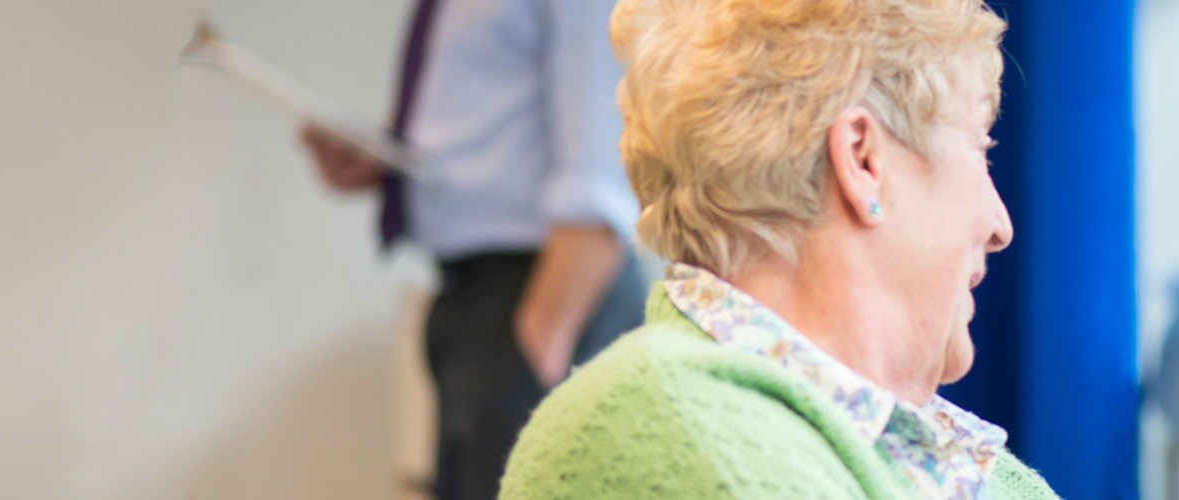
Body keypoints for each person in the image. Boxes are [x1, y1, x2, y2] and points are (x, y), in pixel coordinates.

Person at [498, 0, 1056, 498]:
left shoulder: (897, 440)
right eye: (980, 144)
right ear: (863, 162)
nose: (1000, 224)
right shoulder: (675, 431)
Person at [290, 0, 644, 497]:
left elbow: (600, 182)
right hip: (471, 298)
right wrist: (386, 154)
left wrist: (537, 347)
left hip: (546, 294)